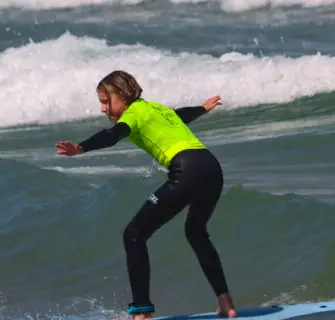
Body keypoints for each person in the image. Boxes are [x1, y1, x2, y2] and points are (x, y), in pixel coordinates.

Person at [55, 70, 237, 320]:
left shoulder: (133, 115)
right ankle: (226, 303)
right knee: (196, 232)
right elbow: (180, 115)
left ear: (122, 94)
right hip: (211, 167)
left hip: (186, 169)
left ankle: (141, 313)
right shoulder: (155, 108)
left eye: (106, 101)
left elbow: (112, 136)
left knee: (133, 235)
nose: (103, 109)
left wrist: (81, 148)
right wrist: (203, 108)